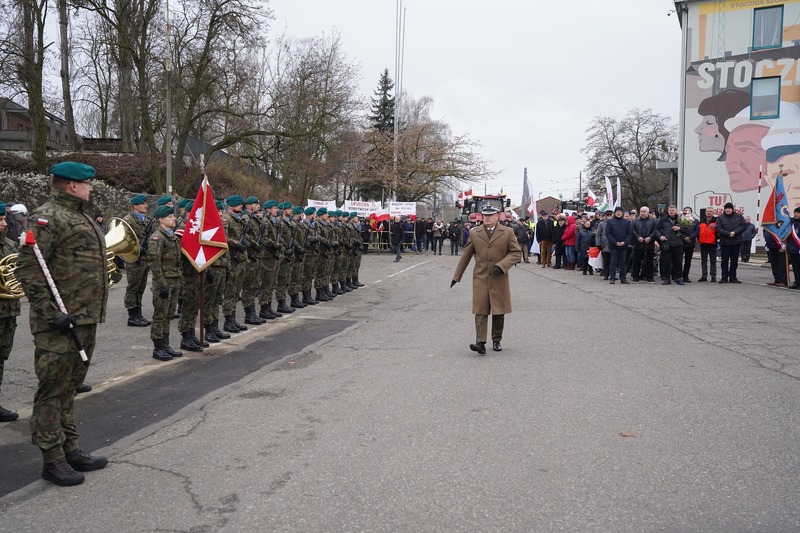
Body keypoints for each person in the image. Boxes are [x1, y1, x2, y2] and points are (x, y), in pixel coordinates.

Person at [15, 162, 109, 487]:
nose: (91, 188)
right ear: (72, 185)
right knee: (52, 390)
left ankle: (70, 448)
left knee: (70, 387)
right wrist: (49, 311)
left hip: (85, 318)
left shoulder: (81, 215)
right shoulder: (46, 217)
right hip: (59, 322)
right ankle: (52, 459)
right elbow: (27, 269)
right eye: (88, 183)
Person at [451, 205, 521, 355]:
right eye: (485, 215)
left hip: (499, 277)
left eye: (490, 215)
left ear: (498, 216)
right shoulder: (475, 233)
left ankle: (496, 340)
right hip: (481, 277)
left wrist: (502, 266)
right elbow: (466, 256)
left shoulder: (507, 232)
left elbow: (516, 253)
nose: (487, 218)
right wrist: (457, 276)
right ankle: (480, 343)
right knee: (480, 310)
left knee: (498, 310)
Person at [148, 205, 184, 361]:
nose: (174, 218)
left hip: (174, 280)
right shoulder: (158, 237)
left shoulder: (173, 237)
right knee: (160, 315)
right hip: (164, 282)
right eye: (170, 217)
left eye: (173, 216)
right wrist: (162, 284)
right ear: (161, 219)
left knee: (169, 314)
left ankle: (166, 344)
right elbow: (154, 263)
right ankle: (158, 348)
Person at [0, 202, 21, 422]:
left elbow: (18, 274)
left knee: (1, 358)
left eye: (4, 219)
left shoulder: (9, 245)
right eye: (0, 220)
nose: (4, 224)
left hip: (9, 311)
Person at [122, 195, 152, 328]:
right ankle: (132, 315)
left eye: (145, 203)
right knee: (133, 287)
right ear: (135, 206)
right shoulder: (128, 220)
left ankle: (138, 313)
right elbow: (124, 239)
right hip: (133, 259)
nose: (146, 206)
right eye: (142, 204)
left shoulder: (147, 220)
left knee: (141, 287)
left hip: (144, 259)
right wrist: (136, 248)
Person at [715, 202, 747, 283]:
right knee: (724, 261)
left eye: (729, 208)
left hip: (736, 242)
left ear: (732, 209)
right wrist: (728, 234)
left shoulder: (739, 217)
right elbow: (718, 228)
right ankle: (724, 277)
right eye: (726, 208)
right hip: (725, 242)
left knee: (734, 261)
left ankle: (733, 277)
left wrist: (735, 232)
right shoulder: (720, 218)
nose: (727, 210)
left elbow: (744, 226)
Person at [655, 205, 685, 285]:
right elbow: (657, 229)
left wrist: (680, 229)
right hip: (667, 243)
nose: (671, 211)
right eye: (670, 210)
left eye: (673, 210)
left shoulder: (681, 219)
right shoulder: (663, 219)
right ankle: (666, 278)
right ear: (668, 211)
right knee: (666, 262)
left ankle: (678, 278)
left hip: (677, 243)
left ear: (676, 211)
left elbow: (687, 230)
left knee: (678, 262)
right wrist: (660, 236)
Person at [605, 206, 632, 284]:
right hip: (614, 245)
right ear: (615, 213)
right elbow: (608, 233)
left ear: (622, 213)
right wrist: (615, 242)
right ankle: (612, 277)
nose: (619, 213)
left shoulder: (627, 222)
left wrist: (625, 242)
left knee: (623, 262)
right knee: (613, 262)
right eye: (617, 211)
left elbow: (630, 233)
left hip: (624, 245)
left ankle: (623, 278)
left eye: (620, 211)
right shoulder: (610, 222)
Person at [631, 206, 656, 283]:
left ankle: (650, 277)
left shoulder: (653, 220)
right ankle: (635, 277)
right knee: (636, 261)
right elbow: (632, 230)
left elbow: (655, 230)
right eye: (641, 211)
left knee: (649, 261)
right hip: (638, 243)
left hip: (649, 243)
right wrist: (638, 237)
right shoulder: (635, 220)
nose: (643, 213)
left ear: (648, 212)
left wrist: (650, 237)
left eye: (644, 211)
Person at [679, 207, 699, 283]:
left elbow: (697, 231)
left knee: (688, 261)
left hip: (690, 243)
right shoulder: (680, 220)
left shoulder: (695, 221)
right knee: (679, 260)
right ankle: (678, 275)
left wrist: (690, 237)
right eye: (685, 210)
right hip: (681, 242)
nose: (687, 212)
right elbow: (678, 231)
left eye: (689, 210)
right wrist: (684, 237)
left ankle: (685, 276)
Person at [697, 209, 718, 282]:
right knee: (703, 261)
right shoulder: (702, 221)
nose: (709, 212)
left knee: (713, 261)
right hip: (703, 243)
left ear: (713, 212)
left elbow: (718, 231)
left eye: (710, 211)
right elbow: (698, 231)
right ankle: (704, 276)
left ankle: (713, 276)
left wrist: (716, 239)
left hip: (712, 244)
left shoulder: (716, 221)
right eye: (707, 211)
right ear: (705, 213)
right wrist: (699, 238)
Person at [786, 207, 800, 289]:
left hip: (798, 248)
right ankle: (797, 282)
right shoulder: (792, 222)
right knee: (795, 267)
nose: (795, 214)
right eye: (795, 213)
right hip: (792, 248)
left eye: (797, 213)